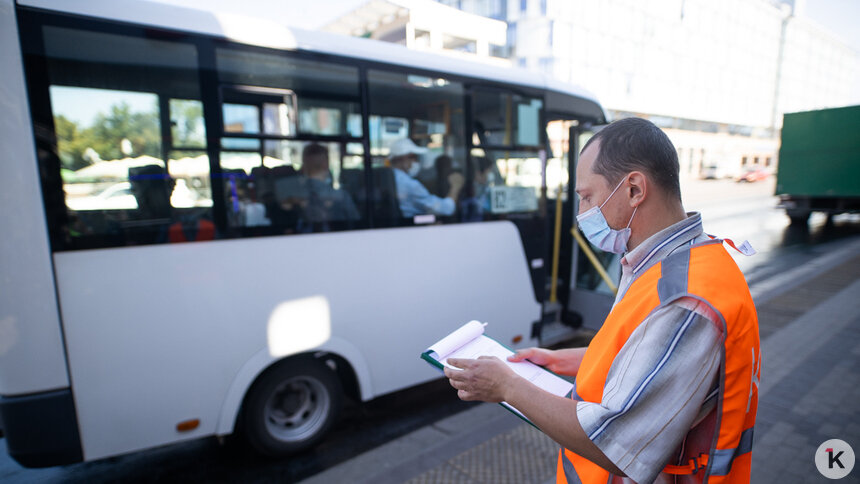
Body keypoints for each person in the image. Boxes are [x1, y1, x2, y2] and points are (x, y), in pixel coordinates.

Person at [444, 117, 760, 484]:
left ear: (634, 190)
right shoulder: (673, 261)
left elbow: (616, 444)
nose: (581, 214)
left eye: (587, 197)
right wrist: (565, 360)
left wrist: (509, 387)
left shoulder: (686, 301)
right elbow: (641, 354)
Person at [388, 138, 464, 218]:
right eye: (413, 157)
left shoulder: (391, 178)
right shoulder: (410, 185)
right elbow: (446, 209)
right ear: (402, 158)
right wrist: (455, 187)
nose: (416, 161)